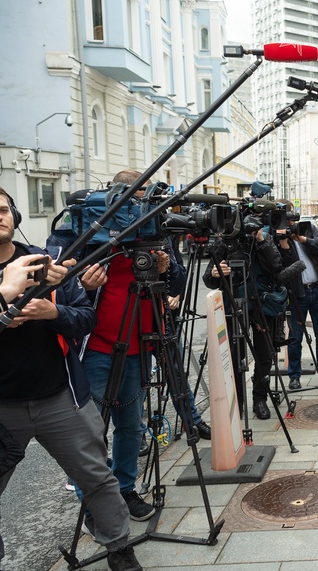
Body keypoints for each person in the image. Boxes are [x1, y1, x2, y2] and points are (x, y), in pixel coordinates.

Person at [0, 188, 143, 570]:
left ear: (14, 215)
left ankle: (118, 547)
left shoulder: (44, 265)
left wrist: (52, 313)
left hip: (60, 398)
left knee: (97, 477)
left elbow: (85, 319)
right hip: (3, 408)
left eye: (2, 209)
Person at [77, 170, 185, 522]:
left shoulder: (153, 233)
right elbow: (68, 293)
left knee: (131, 426)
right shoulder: (94, 233)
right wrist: (87, 285)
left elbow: (177, 282)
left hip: (139, 347)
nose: (139, 208)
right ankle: (96, 502)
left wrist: (165, 268)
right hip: (98, 350)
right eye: (134, 199)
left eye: (144, 200)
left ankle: (125, 489)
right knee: (90, 433)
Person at [202, 205, 285, 419]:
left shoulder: (262, 239)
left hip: (261, 304)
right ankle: (237, 403)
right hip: (232, 305)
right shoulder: (225, 243)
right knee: (234, 355)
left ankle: (260, 399)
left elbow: (276, 265)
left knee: (264, 354)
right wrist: (215, 272)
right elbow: (208, 279)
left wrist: (260, 239)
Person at [276, 201, 318, 390]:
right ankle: (294, 376)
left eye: (289, 215)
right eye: (283, 216)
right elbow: (278, 264)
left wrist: (303, 239)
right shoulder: (276, 235)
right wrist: (283, 240)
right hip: (296, 294)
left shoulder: (308, 228)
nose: (288, 220)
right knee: (295, 337)